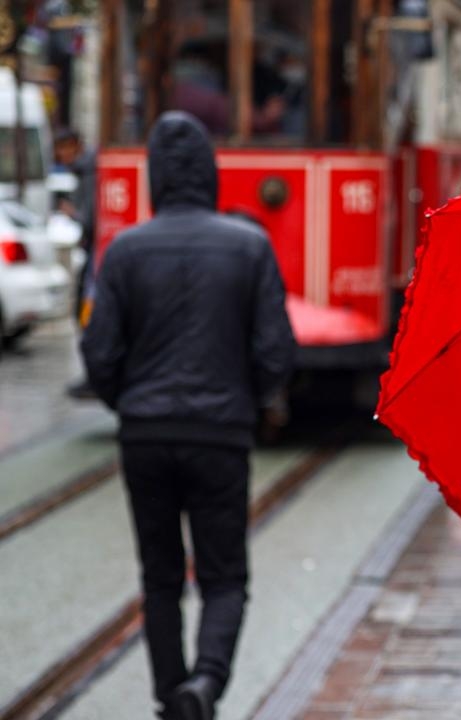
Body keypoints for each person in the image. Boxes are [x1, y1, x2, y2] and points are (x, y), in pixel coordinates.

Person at [80, 111, 295, 720]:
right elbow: (276, 350)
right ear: (210, 173)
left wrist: (128, 402)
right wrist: (246, 403)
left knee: (160, 575)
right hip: (220, 435)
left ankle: (169, 694)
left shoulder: (122, 252)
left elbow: (98, 353)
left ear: (154, 177)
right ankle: (205, 683)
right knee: (224, 573)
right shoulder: (249, 246)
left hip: (144, 435)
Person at [53, 128, 100, 400]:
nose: (61, 155)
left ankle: (95, 374)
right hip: (94, 248)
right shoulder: (85, 170)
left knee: (87, 307)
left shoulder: (88, 171)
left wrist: (73, 213)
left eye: (64, 149)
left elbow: (91, 219)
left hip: (96, 250)